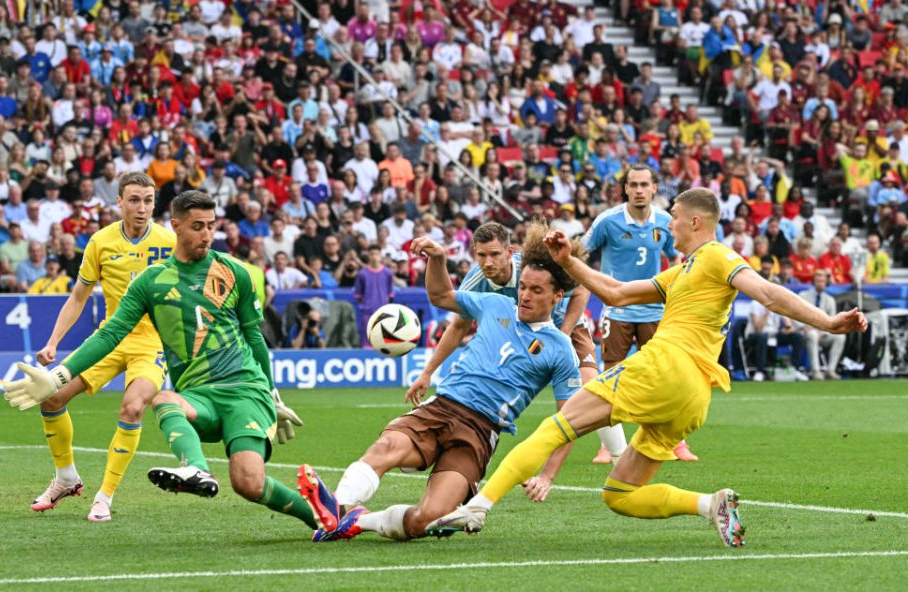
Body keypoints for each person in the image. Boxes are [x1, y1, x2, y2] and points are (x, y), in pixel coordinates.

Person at [426, 189, 866, 547]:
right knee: (620, 495)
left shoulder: (717, 256)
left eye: (673, 216)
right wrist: (568, 264)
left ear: (696, 221)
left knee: (555, 427)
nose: (667, 223)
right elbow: (616, 293)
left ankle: (480, 503)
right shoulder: (684, 271)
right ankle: (711, 505)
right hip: (694, 397)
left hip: (664, 366)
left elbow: (767, 293)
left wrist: (828, 322)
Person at [2, 190, 315, 531]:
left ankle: (320, 516)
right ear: (176, 227)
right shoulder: (150, 282)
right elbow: (109, 334)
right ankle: (195, 469)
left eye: (212, 225)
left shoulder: (235, 272)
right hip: (199, 395)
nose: (207, 234)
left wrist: (272, 393)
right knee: (165, 401)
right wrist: (58, 376)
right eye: (198, 226)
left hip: (244, 390)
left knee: (248, 482)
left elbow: (255, 336)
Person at [297, 231, 584, 542]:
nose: (525, 295)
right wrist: (437, 259)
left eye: (536, 290)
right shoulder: (496, 304)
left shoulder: (560, 349)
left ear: (557, 297)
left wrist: (547, 475)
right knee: (386, 448)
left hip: (478, 433)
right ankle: (336, 506)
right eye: (524, 287)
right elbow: (440, 296)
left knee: (429, 518)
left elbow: (568, 419)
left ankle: (357, 520)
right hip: (443, 406)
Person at [408, 221, 618, 499]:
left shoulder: (534, 270)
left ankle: (619, 458)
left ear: (510, 252)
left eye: (494, 254)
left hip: (566, 326)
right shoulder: (477, 278)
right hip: (521, 335)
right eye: (481, 255)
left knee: (592, 391)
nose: (488, 262)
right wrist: (427, 372)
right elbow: (458, 326)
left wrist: (564, 333)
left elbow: (581, 290)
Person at [18, 173, 176, 523]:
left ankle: (104, 497)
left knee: (133, 408)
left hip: (151, 343)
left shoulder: (170, 241)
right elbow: (78, 296)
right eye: (134, 199)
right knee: (51, 397)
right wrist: (53, 342)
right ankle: (66, 478)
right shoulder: (100, 242)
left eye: (148, 200)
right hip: (110, 337)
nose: (142, 207)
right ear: (118, 202)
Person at [582, 166, 695, 463]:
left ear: (655, 188)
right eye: (633, 185)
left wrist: (672, 294)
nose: (639, 190)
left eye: (645, 184)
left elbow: (675, 257)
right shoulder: (608, 221)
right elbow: (581, 252)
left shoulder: (665, 222)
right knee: (612, 374)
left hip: (654, 308)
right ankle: (609, 444)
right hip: (618, 308)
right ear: (626, 189)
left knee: (663, 375)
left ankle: (674, 441)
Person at [354, 245, 395, 346]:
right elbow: (358, 295)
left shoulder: (388, 273)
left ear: (380, 255)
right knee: (367, 341)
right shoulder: (362, 274)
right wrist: (366, 306)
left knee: (384, 342)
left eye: (376, 254)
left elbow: (390, 294)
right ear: (368, 256)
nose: (374, 257)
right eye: (372, 254)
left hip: (384, 313)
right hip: (368, 313)